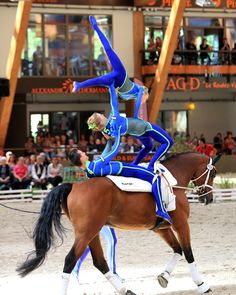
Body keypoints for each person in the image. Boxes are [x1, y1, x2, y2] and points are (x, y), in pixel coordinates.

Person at [68, 139, 172, 225]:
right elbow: (115, 151)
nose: (84, 153)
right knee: (155, 178)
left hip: (122, 172)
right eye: (82, 153)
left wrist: (108, 139)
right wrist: (117, 135)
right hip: (127, 169)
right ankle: (162, 210)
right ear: (81, 158)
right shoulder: (95, 165)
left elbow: (105, 153)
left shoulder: (88, 171)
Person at [73, 15, 149, 119]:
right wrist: (135, 117)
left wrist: (113, 90)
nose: (143, 102)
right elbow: (138, 104)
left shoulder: (130, 97)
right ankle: (96, 27)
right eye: (145, 99)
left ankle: (78, 85)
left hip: (115, 82)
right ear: (144, 94)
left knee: (98, 81)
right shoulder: (140, 90)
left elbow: (115, 102)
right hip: (121, 74)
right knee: (108, 50)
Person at [87, 109, 173, 172]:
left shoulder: (104, 131)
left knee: (149, 146)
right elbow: (113, 103)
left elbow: (109, 145)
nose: (102, 114)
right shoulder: (111, 121)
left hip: (136, 133)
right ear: (101, 119)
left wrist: (102, 158)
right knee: (168, 142)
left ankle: (134, 163)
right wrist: (113, 90)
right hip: (144, 127)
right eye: (100, 115)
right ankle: (151, 166)